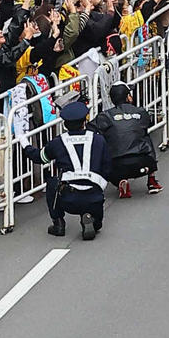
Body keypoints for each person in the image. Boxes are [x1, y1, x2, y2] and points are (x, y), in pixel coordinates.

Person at [33, 99, 110, 239]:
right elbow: (107, 167)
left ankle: (58, 224)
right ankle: (90, 217)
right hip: (94, 196)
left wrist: (25, 145)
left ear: (65, 124)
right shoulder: (99, 140)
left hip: (69, 199)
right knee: (97, 225)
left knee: (52, 183)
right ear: (84, 122)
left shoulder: (58, 142)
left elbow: (40, 158)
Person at [91, 83, 162, 199]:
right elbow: (149, 122)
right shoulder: (140, 112)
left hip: (116, 167)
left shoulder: (105, 116)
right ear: (128, 96)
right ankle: (152, 180)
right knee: (145, 135)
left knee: (106, 138)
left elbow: (91, 128)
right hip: (143, 163)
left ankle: (121, 181)